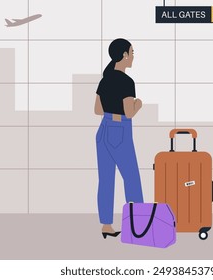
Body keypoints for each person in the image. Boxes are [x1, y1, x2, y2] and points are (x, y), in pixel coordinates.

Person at [94, 38, 144, 239]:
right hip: (120, 130)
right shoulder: (126, 81)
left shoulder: (104, 79)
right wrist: (139, 103)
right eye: (132, 52)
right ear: (124, 55)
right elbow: (129, 112)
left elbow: (97, 109)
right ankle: (139, 224)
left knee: (105, 180)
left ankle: (106, 225)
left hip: (103, 129)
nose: (133, 57)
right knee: (131, 177)